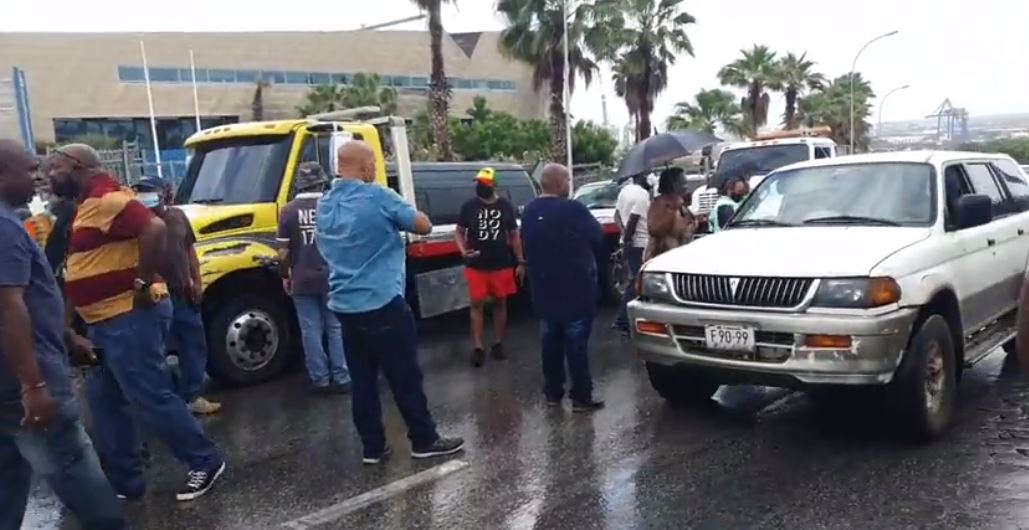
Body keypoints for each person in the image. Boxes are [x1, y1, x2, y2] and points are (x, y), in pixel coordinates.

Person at [51, 144, 225, 502]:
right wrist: (68, 322)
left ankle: (204, 460)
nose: (47, 175)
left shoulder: (109, 198)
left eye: (54, 168)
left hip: (128, 316)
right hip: (102, 322)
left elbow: (154, 228)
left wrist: (143, 282)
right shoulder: (86, 205)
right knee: (106, 402)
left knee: (149, 395)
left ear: (76, 165)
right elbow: (81, 268)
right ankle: (125, 482)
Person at [0, 139, 125, 530]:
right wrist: (34, 385)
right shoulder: (4, 229)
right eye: (29, 169)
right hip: (27, 381)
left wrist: (68, 338)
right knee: (75, 471)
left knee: (6, 480)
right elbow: (9, 308)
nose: (37, 178)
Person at [316, 140, 464, 465]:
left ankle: (373, 448)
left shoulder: (325, 204)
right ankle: (424, 440)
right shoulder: (378, 195)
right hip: (382, 303)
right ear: (367, 166)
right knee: (404, 376)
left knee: (363, 382)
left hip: (345, 307)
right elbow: (422, 226)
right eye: (373, 164)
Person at [131, 176, 222, 415]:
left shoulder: (178, 217)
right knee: (157, 349)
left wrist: (197, 281)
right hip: (154, 297)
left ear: (164, 193)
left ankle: (192, 396)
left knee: (194, 344)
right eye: (139, 192)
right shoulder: (136, 222)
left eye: (148, 191)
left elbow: (189, 249)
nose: (144, 196)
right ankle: (164, 402)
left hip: (182, 292)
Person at [520, 163, 605, 412]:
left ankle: (553, 393)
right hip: (575, 290)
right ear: (559, 184)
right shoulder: (573, 210)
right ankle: (581, 397)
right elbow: (597, 236)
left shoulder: (529, 210)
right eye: (568, 180)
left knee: (550, 344)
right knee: (576, 346)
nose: (570, 185)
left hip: (543, 290)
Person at [277, 162, 351, 395]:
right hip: (333, 277)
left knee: (310, 329)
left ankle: (319, 379)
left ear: (299, 183)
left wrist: (284, 275)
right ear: (321, 181)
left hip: (302, 278)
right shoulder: (333, 205)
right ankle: (342, 376)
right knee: (335, 327)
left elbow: (283, 251)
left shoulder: (288, 211)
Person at [455, 167, 525, 367]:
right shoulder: (469, 206)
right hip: (476, 266)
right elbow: (459, 232)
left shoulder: (505, 206)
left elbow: (514, 235)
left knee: (500, 303)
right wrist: (463, 251)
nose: (480, 186)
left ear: (494, 185)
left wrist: (520, 261)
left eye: (484, 183)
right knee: (476, 304)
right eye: (478, 183)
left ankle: (498, 342)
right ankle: (478, 347)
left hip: (501, 264)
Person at [612, 173, 651, 335]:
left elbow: (616, 216)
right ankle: (624, 321)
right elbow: (634, 219)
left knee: (633, 281)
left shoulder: (624, 191)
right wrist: (628, 239)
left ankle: (624, 321)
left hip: (630, 242)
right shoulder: (642, 195)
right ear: (642, 176)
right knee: (636, 283)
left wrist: (623, 235)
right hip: (640, 243)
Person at [645, 167, 696, 261]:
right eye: (683, 183)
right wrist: (672, 210)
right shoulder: (659, 203)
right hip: (662, 258)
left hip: (680, 255)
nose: (686, 186)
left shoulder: (681, 203)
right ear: (673, 185)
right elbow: (654, 230)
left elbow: (690, 225)